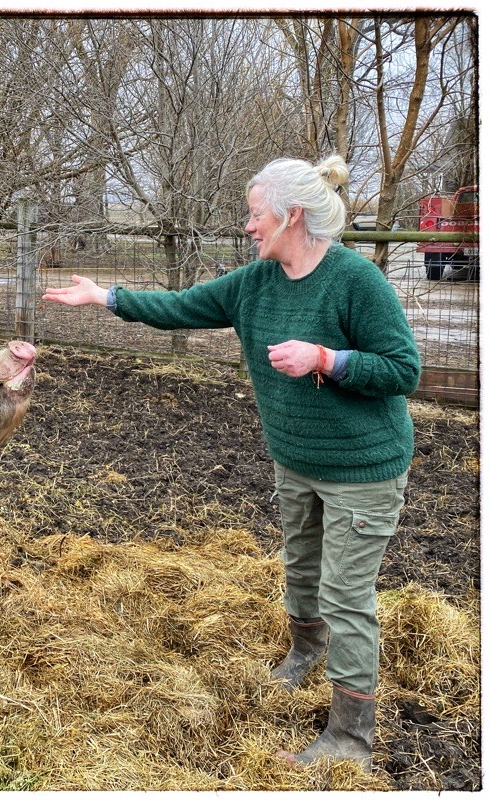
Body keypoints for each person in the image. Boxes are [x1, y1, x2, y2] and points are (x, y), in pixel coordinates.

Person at [42, 154, 421, 771]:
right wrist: (104, 296)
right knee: (301, 569)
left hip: (362, 469)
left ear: (290, 215)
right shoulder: (254, 284)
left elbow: (403, 369)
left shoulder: (356, 281)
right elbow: (181, 306)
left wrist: (326, 359)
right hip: (295, 461)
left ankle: (350, 739)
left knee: (346, 594)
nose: (247, 226)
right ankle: (305, 652)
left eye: (254, 214)